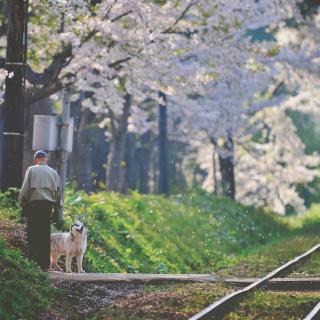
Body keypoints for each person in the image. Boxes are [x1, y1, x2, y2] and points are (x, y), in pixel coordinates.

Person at [18, 150, 62, 271]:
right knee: (44, 234)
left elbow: (25, 189)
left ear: (35, 159)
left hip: (33, 206)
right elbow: (58, 193)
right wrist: (57, 209)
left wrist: (22, 203)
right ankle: (44, 265)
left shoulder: (31, 169)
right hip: (47, 207)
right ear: (46, 160)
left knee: (33, 234)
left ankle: (33, 263)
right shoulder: (53, 172)